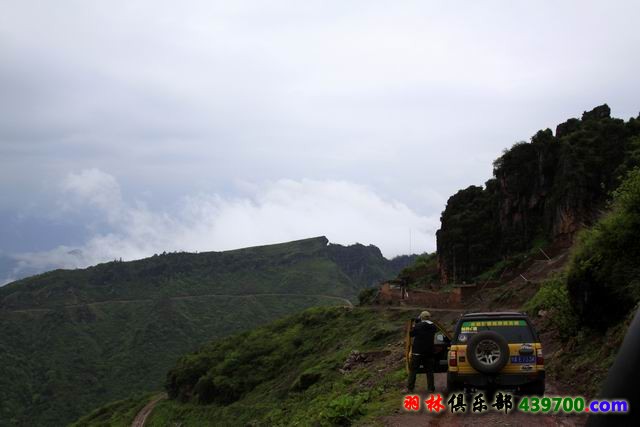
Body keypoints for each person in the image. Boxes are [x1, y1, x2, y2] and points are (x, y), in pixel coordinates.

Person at [407, 310, 437, 393]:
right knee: (429, 371)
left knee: (413, 370)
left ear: (421, 317)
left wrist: (414, 324)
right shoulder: (434, 326)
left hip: (417, 352)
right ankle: (431, 389)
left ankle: (410, 388)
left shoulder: (418, 326)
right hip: (429, 352)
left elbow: (411, 334)